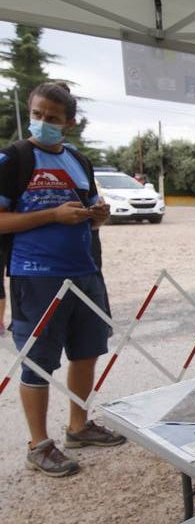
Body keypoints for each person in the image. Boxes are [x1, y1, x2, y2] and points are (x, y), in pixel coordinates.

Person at [0, 81, 125, 477]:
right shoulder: (13, 158)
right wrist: (52, 215)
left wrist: (97, 216)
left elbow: (88, 210)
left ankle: (78, 426)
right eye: (37, 115)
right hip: (35, 277)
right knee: (37, 362)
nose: (42, 124)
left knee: (87, 352)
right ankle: (38, 444)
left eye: (52, 119)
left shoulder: (78, 161)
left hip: (85, 273)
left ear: (68, 123)